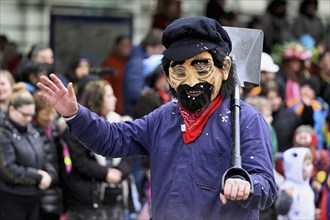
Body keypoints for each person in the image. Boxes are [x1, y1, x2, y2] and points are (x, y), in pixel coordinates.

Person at [37, 16, 277, 220]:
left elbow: (266, 185)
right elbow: (112, 140)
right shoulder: (164, 117)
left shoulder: (246, 119)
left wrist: (247, 184)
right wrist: (74, 114)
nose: (191, 81)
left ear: (224, 69)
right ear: (167, 75)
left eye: (201, 67)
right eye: (179, 70)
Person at [62, 80, 136, 220]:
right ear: (97, 99)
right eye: (109, 95)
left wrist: (120, 171)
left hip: (116, 197)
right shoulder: (77, 128)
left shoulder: (119, 122)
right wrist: (106, 173)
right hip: (87, 200)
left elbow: (128, 153)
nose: (115, 99)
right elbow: (79, 162)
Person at [0, 83, 56, 220]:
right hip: (12, 197)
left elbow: (47, 158)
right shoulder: (3, 133)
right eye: (25, 115)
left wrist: (49, 174)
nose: (29, 119)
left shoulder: (33, 130)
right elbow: (8, 170)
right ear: (12, 109)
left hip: (35, 196)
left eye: (31, 115)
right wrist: (38, 176)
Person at [123, 28, 164, 117]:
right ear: (150, 47)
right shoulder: (136, 63)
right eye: (161, 49)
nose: (162, 53)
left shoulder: (141, 60)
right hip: (135, 115)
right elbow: (134, 92)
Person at [275, 147, 315, 220]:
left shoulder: (307, 186)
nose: (311, 167)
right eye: (307, 164)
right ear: (297, 167)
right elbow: (280, 210)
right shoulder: (287, 187)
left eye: (311, 163)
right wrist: (287, 198)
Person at [101, 35, 132, 115]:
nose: (127, 48)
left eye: (129, 45)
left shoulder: (129, 63)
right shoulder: (109, 63)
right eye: (124, 45)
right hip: (115, 108)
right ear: (117, 46)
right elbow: (104, 86)